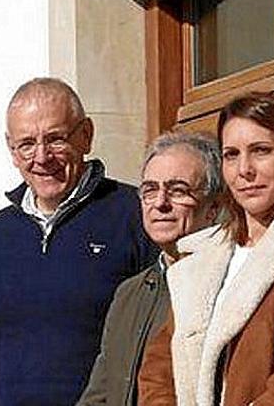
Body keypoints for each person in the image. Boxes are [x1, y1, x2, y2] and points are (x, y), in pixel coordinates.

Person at [138, 92, 274, 406]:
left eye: (261, 151)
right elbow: (159, 368)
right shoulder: (205, 255)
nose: (245, 169)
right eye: (231, 154)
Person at [0, 78, 157, 405]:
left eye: (55, 139)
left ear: (86, 135)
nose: (41, 157)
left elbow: (158, 337)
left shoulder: (132, 215)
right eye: (26, 144)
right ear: (11, 150)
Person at [77, 132, 222, 406]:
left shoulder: (228, 283)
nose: (160, 203)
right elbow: (101, 392)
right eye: (150, 190)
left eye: (178, 190)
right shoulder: (129, 294)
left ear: (213, 207)